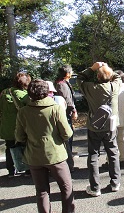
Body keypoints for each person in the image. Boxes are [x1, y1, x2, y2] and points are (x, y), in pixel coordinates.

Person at [15, 79, 75, 213]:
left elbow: (19, 137)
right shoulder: (55, 108)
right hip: (56, 155)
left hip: (34, 156)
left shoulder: (23, 111)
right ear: (47, 92)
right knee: (66, 187)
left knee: (41, 191)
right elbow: (67, 133)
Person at [77, 62, 121, 196]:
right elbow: (118, 77)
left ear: (97, 77)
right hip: (110, 126)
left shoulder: (91, 88)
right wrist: (106, 69)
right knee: (113, 153)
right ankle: (115, 183)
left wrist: (92, 68)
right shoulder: (114, 86)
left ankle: (95, 187)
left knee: (93, 155)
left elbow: (79, 79)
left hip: (95, 126)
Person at [0, 72, 31, 177]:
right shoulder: (23, 95)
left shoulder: (4, 93)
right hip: (21, 126)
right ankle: (27, 169)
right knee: (25, 146)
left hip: (6, 126)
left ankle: (10, 170)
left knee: (9, 147)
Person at [55, 65, 78, 172]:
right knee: (67, 138)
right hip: (64, 114)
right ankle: (69, 165)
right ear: (67, 74)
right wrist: (73, 111)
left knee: (68, 137)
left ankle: (69, 162)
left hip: (65, 114)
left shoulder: (62, 83)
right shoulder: (61, 84)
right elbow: (68, 100)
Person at [113, 70, 124, 168]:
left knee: (111, 140)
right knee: (121, 139)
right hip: (122, 117)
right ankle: (122, 159)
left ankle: (110, 160)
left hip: (113, 119)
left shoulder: (113, 90)